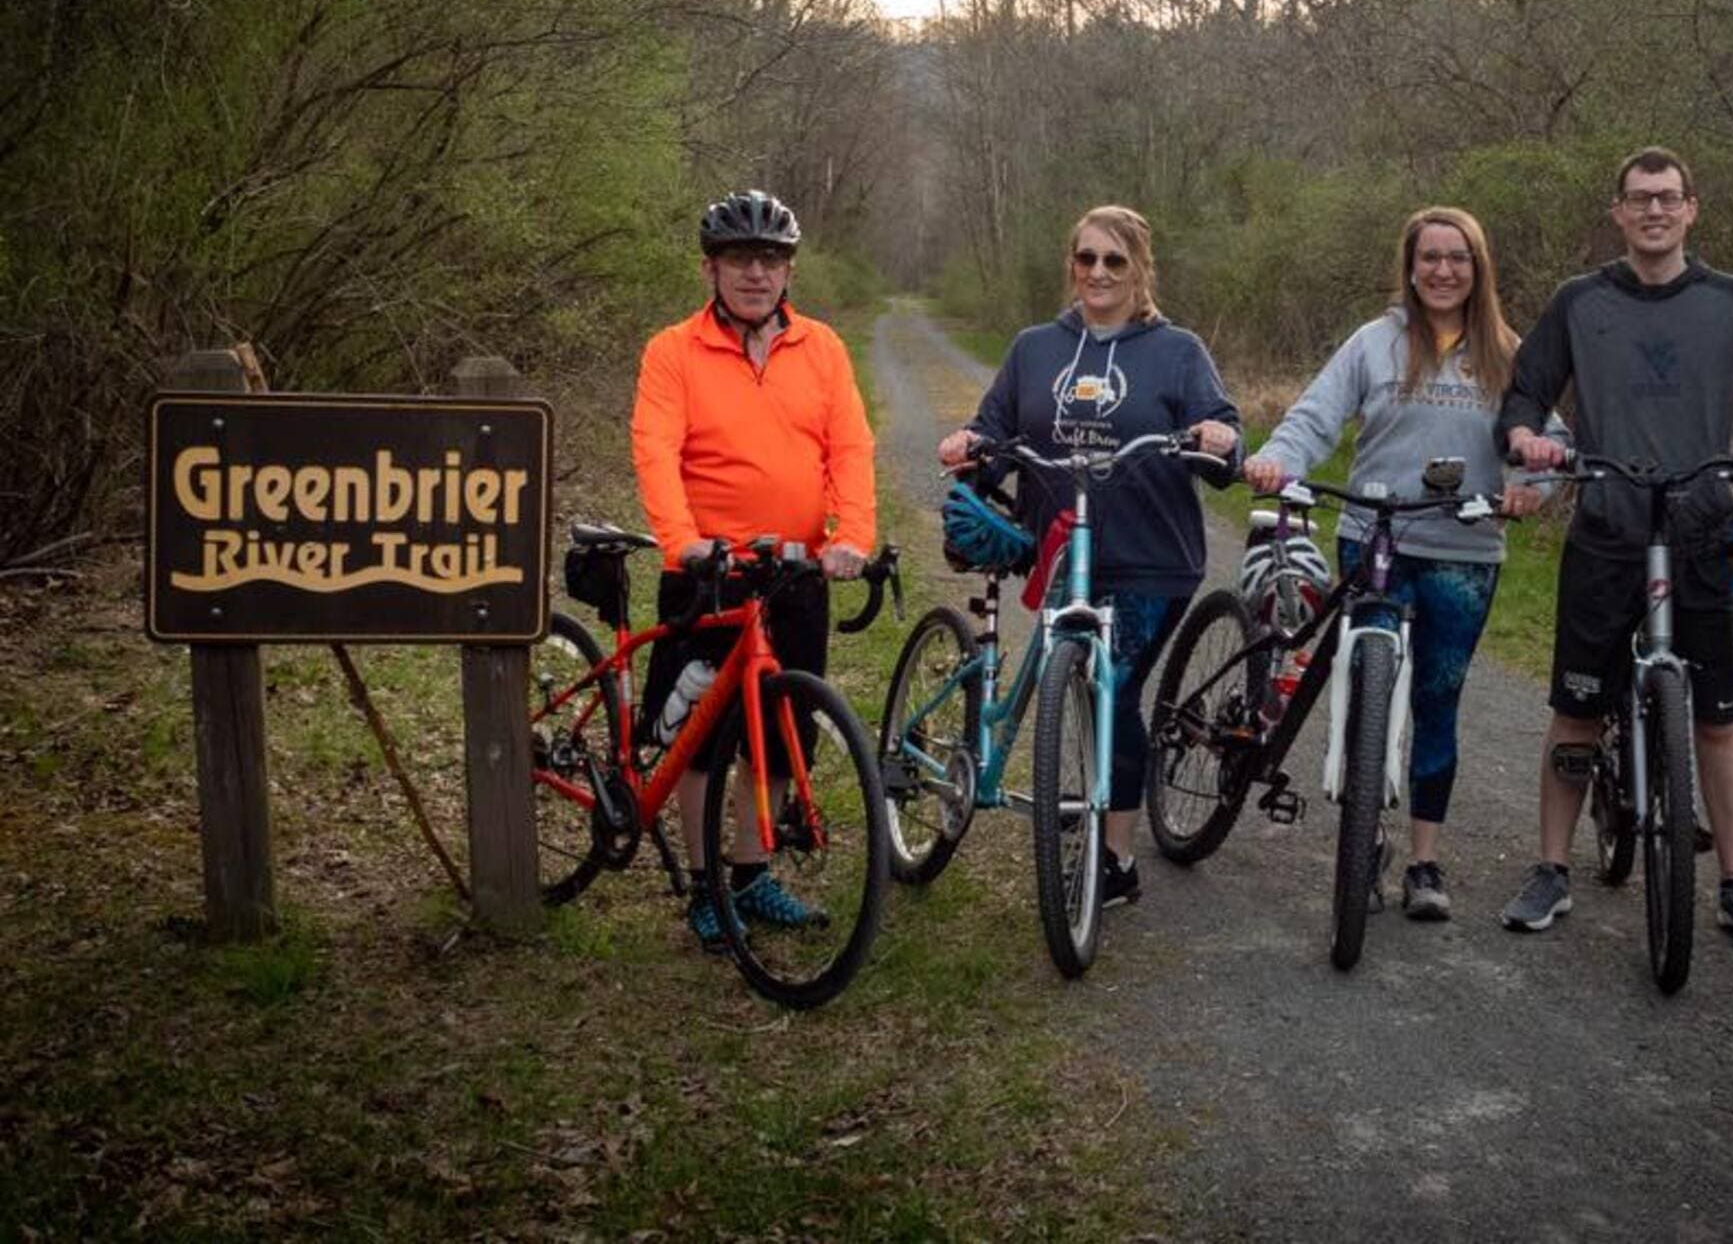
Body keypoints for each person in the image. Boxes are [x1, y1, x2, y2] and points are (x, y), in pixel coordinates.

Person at [1496, 147, 1733, 949]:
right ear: (1617, 212)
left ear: (1691, 209)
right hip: (1607, 526)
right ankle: (1550, 869)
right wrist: (1528, 438)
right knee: (1575, 710)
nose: (1654, 211)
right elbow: (1525, 391)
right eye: (1639, 199)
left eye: (1668, 198)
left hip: (1705, 529)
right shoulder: (1579, 302)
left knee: (1718, 720)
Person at [1242, 206, 1549, 921]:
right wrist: (1278, 460)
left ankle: (1423, 860)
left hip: (1464, 551)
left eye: (1458, 257)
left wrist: (1531, 485)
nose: (1444, 270)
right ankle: (1363, 839)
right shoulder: (1373, 344)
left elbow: (1546, 442)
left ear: (1479, 267)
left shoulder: (1509, 351)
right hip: (1373, 537)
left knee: (1438, 701)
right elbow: (1316, 415)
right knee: (1363, 680)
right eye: (1430, 257)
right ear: (1410, 267)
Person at [936, 205, 1241, 909]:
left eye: (1114, 260)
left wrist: (1221, 440)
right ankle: (1081, 817)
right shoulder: (1034, 347)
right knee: (1073, 684)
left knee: (1116, 690)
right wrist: (967, 445)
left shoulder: (1179, 350)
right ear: (1071, 265)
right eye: (1086, 259)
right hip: (1059, 552)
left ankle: (1117, 856)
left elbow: (1224, 432)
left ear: (1140, 268)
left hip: (1150, 559)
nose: (1098, 272)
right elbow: (992, 429)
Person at [631, 188, 878, 946]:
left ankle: (750, 872)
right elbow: (656, 451)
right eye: (740, 259)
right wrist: (682, 542)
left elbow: (850, 448)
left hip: (795, 573)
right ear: (711, 267)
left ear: (788, 270)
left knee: (779, 731)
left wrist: (853, 536)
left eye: (769, 260)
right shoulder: (673, 351)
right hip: (709, 572)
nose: (755, 274)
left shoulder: (823, 348)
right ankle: (704, 888)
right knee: (701, 738)